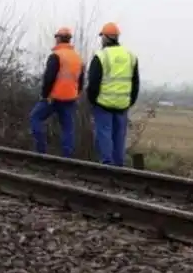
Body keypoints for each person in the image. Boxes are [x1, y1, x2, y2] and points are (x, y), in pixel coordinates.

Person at [86, 22, 139, 166]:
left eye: (102, 36)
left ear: (105, 37)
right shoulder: (130, 56)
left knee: (104, 136)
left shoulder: (101, 56)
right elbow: (135, 83)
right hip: (123, 105)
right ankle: (119, 166)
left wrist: (92, 100)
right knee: (119, 137)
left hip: (103, 104)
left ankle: (107, 165)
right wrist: (130, 101)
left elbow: (93, 82)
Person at [28, 27, 85, 157]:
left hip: (53, 98)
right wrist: (76, 94)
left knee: (35, 118)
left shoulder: (56, 56)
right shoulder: (77, 58)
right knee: (68, 129)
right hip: (70, 99)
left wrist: (44, 95)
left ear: (58, 39)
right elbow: (81, 80)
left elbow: (49, 78)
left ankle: (41, 152)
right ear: (69, 40)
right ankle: (67, 159)